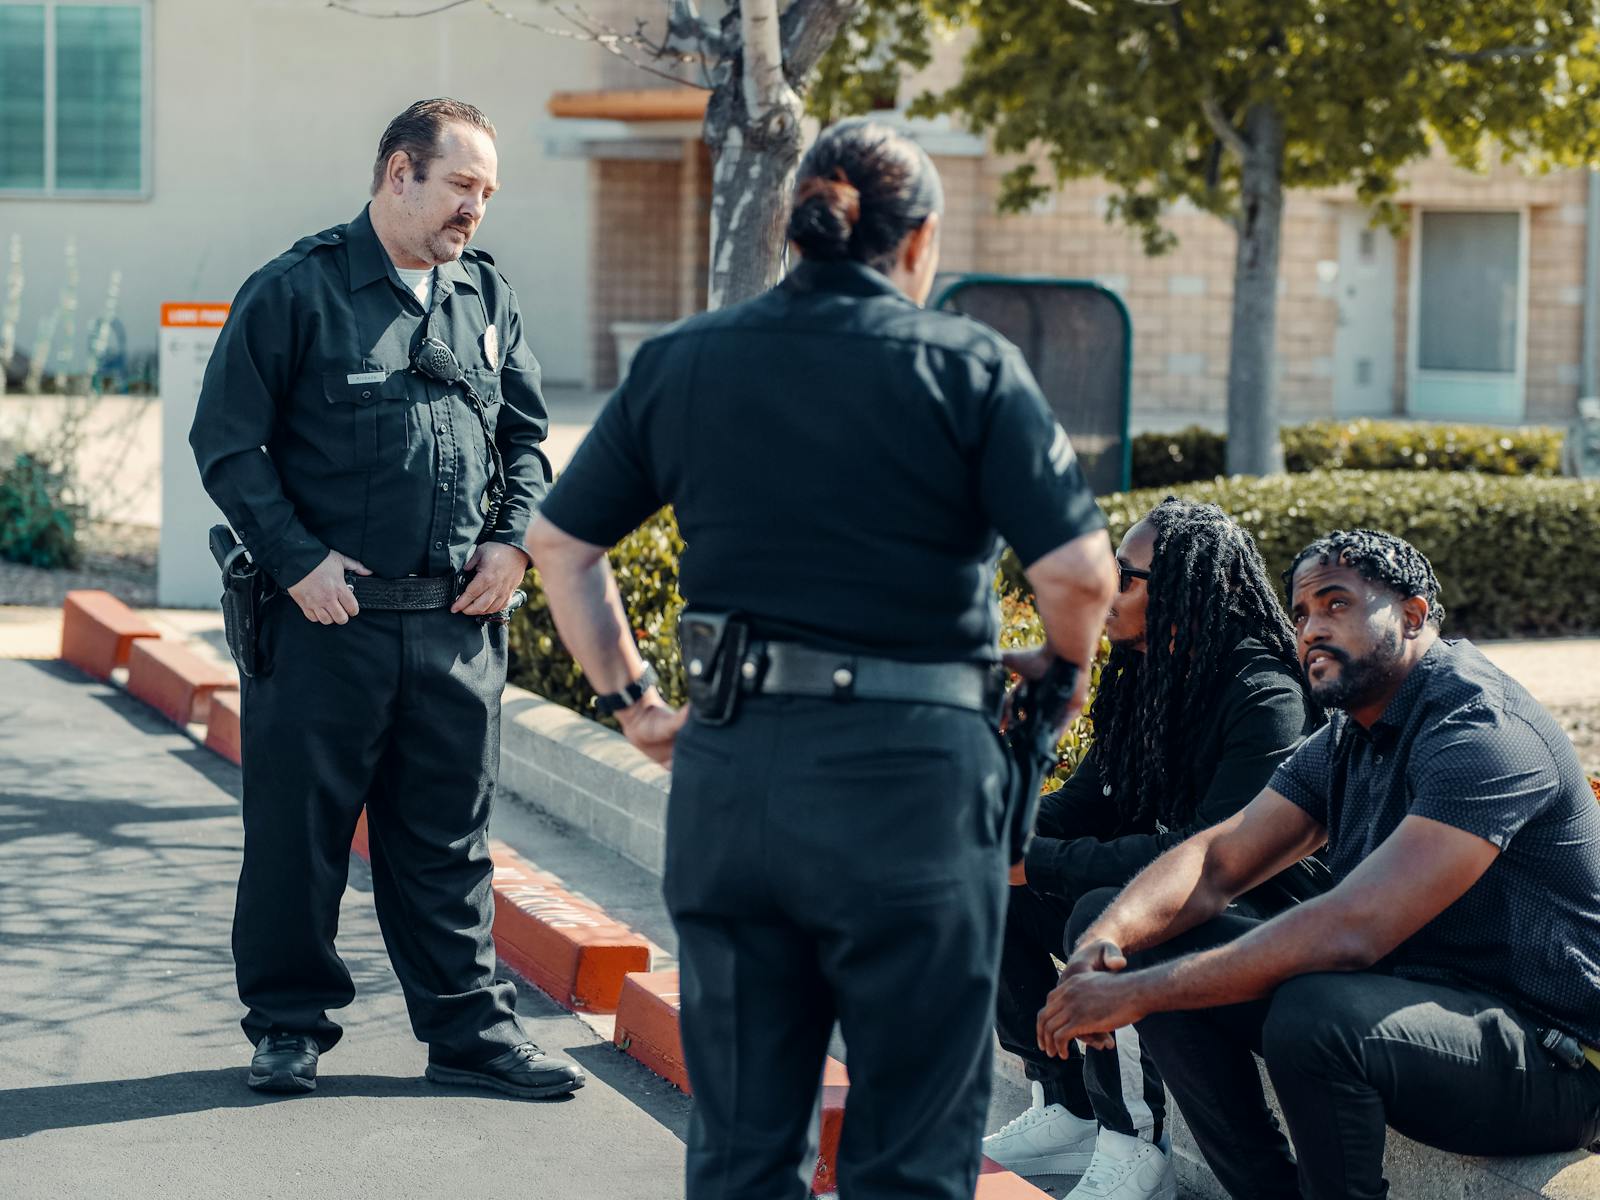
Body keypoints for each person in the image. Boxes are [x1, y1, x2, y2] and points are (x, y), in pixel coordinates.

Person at [525, 118, 1118, 1200]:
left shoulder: (686, 360)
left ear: (797, 225)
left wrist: (635, 703)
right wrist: (1063, 677)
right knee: (909, 1156)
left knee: (745, 1152)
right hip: (914, 792)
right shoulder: (970, 366)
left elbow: (561, 546)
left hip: (735, 780)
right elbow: (1079, 573)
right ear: (919, 240)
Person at [190, 98, 583, 1099]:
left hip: (456, 627)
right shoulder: (298, 291)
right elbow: (228, 444)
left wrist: (511, 547)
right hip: (330, 627)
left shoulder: (485, 299)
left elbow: (528, 443)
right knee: (297, 840)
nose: (475, 210)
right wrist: (296, 562)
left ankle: (468, 1036)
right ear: (399, 172)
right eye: (461, 186)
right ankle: (286, 1027)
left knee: (449, 842)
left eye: (487, 193)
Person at [1037, 529, 1600, 1200]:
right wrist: (1107, 946)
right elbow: (1215, 861)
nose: (1311, 629)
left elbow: (1353, 930)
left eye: (1337, 604)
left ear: (1413, 615)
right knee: (1136, 939)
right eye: (1301, 613)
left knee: (1314, 1015)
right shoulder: (1349, 732)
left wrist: (1135, 996)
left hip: (1553, 1055)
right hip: (1420, 1011)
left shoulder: (1483, 732)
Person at [985, 499, 1327, 1198]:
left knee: (1102, 915)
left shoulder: (1265, 695)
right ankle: (1066, 1104)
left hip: (1261, 918)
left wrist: (1036, 860)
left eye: (1128, 577)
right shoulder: (1145, 672)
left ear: (1191, 590)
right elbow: (1088, 800)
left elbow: (1205, 860)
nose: (1107, 590)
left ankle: (1133, 1144)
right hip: (1179, 897)